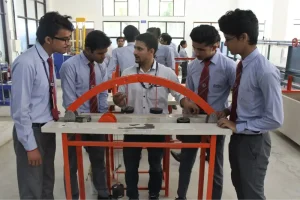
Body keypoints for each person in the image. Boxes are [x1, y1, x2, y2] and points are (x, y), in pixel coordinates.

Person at [112, 33, 199, 200]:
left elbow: (179, 95)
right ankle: (133, 196)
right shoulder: (127, 73)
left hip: (158, 127)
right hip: (132, 127)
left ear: (151, 51)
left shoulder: (166, 73)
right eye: (135, 48)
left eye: (139, 49)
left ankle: (154, 195)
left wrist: (185, 103)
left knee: (155, 166)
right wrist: (119, 101)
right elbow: (122, 100)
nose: (135, 52)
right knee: (131, 167)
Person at [217, 9, 284, 200]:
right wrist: (228, 110)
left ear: (244, 37)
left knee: (251, 194)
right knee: (241, 187)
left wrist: (238, 126)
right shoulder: (243, 65)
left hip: (253, 142)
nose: (226, 43)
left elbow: (275, 119)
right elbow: (249, 101)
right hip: (239, 137)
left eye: (228, 39)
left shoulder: (264, 71)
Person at [11, 12, 74, 200]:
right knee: (32, 186)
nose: (68, 43)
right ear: (48, 39)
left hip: (47, 129)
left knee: (47, 182)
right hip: (31, 131)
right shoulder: (26, 63)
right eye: (64, 39)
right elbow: (20, 110)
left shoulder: (48, 60)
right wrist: (30, 147)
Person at [174, 25, 236, 200]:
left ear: (215, 46)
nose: (196, 52)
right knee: (186, 161)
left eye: (201, 49)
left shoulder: (229, 67)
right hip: (194, 121)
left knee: (215, 166)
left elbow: (238, 97)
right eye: (194, 47)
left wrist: (227, 111)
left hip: (216, 123)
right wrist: (188, 104)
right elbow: (189, 93)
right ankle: (181, 196)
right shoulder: (193, 66)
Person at [59, 30, 111, 200]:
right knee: (72, 164)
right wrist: (81, 120)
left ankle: (102, 194)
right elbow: (69, 100)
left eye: (105, 52)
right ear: (88, 49)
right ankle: (73, 196)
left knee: (98, 161)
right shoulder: (70, 66)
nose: (104, 56)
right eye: (100, 53)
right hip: (75, 121)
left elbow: (103, 93)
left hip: (95, 121)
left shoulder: (101, 65)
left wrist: (101, 117)